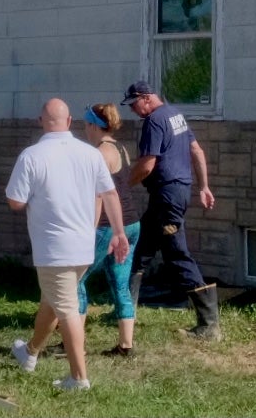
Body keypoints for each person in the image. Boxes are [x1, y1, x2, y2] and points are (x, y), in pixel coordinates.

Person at [5, 98, 129, 391]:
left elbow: (15, 202)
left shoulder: (31, 156)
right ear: (70, 120)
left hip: (52, 249)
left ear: (40, 121)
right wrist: (119, 233)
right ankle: (30, 352)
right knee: (53, 300)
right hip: (83, 247)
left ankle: (78, 378)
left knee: (67, 309)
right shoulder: (90, 154)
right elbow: (110, 195)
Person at [121, 79, 220, 341]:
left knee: (177, 255)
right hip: (173, 193)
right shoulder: (176, 115)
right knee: (140, 250)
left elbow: (146, 166)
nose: (132, 110)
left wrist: (120, 187)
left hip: (167, 196)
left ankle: (209, 324)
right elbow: (196, 151)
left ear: (145, 98)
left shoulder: (154, 121)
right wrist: (204, 186)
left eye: (133, 104)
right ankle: (124, 311)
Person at [76, 103, 144, 356]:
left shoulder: (99, 153)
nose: (84, 130)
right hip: (131, 223)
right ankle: (126, 345)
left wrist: (89, 229)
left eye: (85, 124)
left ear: (94, 125)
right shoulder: (120, 148)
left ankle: (73, 342)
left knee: (76, 279)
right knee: (120, 284)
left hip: (107, 227)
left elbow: (98, 195)